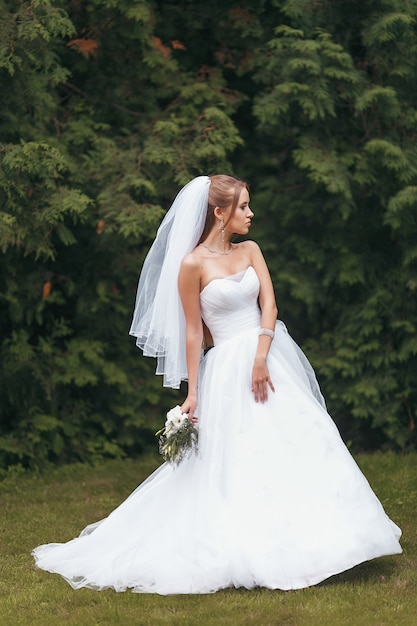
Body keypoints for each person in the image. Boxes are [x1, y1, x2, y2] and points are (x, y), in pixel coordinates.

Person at [32, 174, 402, 594]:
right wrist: (193, 391)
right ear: (219, 212)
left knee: (303, 436)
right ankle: (259, 543)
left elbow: (270, 303)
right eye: (243, 206)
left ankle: (331, 539)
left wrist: (262, 355)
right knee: (238, 454)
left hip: (269, 355)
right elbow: (193, 332)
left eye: (248, 205)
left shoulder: (250, 250)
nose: (250, 213)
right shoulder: (191, 265)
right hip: (225, 367)